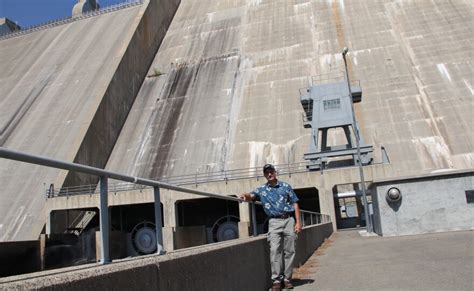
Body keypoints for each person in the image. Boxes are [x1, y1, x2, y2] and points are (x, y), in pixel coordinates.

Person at [240, 164, 302, 290]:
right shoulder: (262, 189)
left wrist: (298, 222)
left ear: (275, 172)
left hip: (288, 220)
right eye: (266, 172)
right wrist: (244, 196)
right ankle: (277, 281)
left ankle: (287, 279)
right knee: (275, 251)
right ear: (264, 175)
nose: (269, 174)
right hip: (274, 222)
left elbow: (295, 204)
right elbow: (251, 195)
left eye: (271, 171)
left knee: (290, 250)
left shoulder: (286, 186)